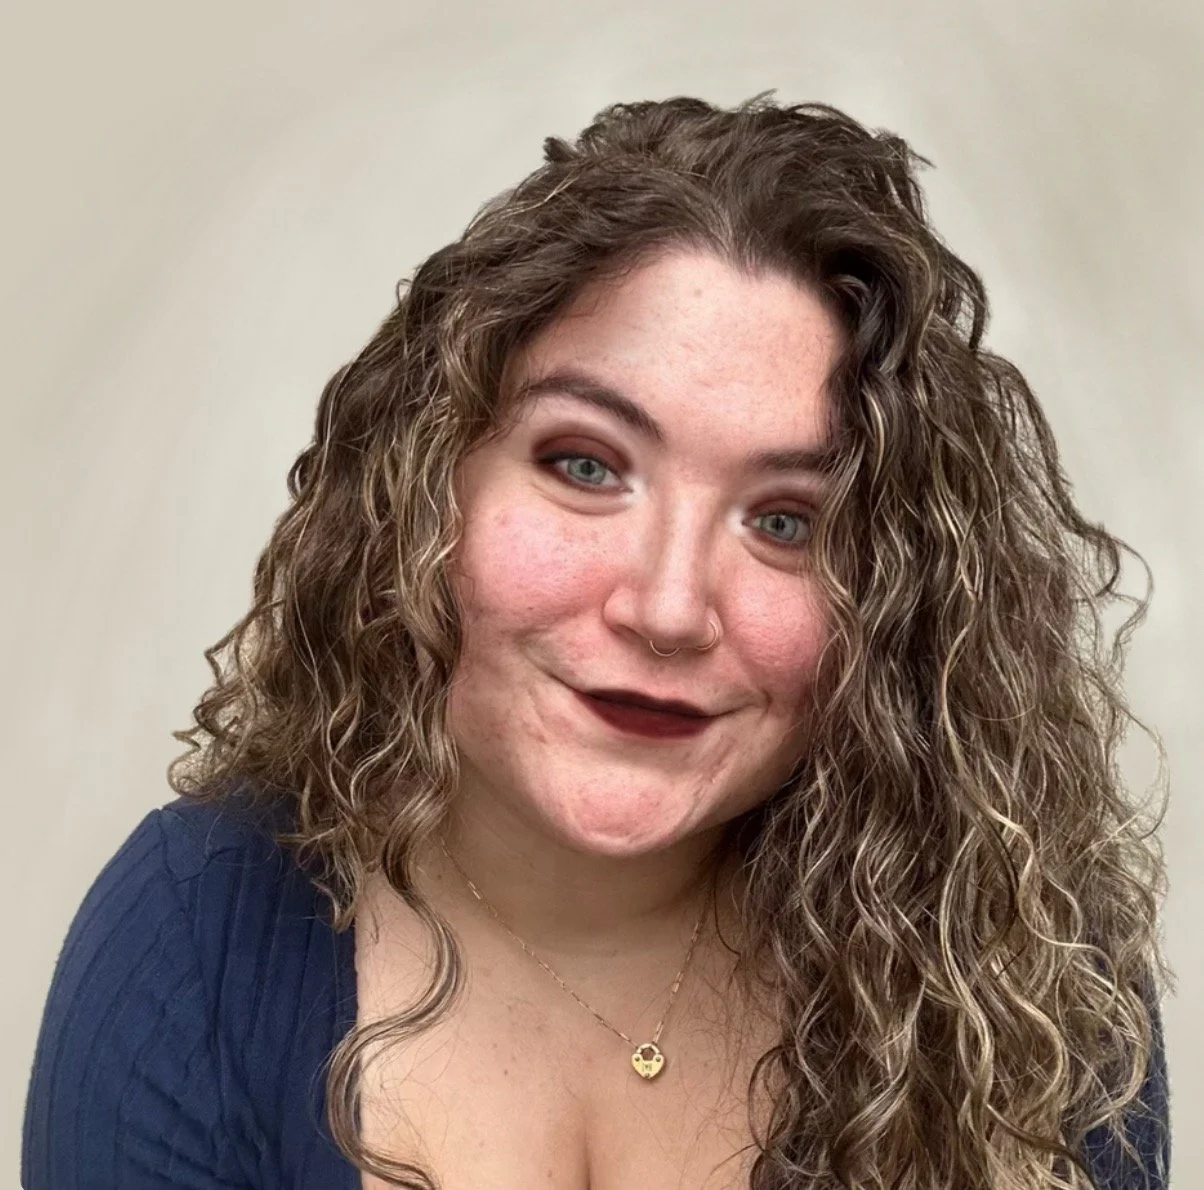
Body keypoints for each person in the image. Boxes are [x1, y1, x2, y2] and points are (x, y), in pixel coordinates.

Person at [23, 93, 1172, 1189]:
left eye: (785, 522)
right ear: (426, 484)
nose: (669, 607)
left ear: (894, 605)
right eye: (585, 465)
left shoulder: (1020, 981)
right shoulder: (191, 943)